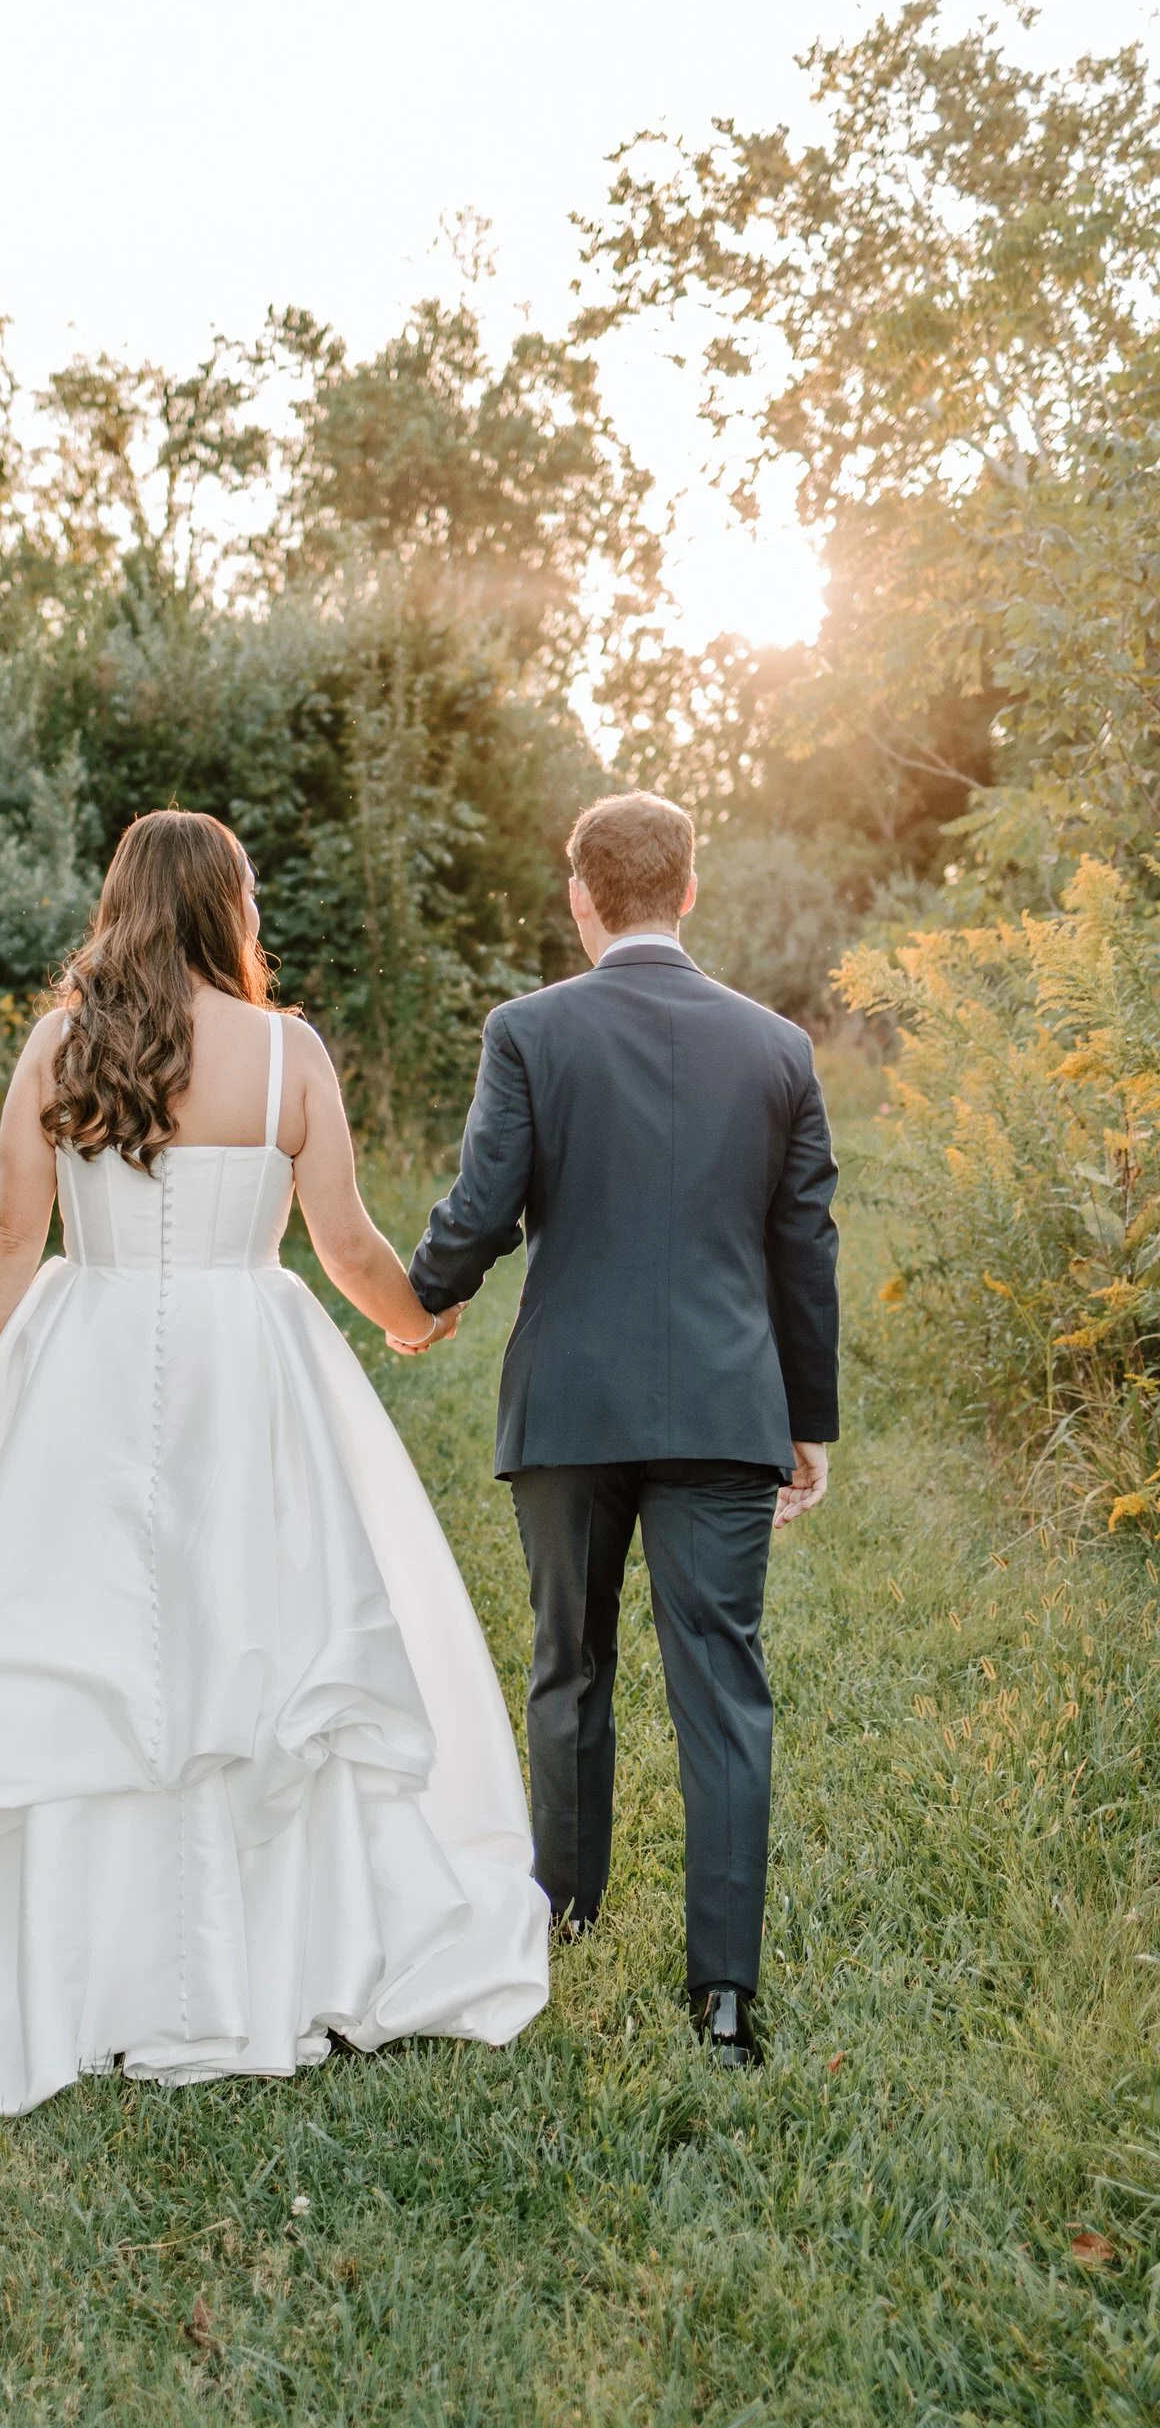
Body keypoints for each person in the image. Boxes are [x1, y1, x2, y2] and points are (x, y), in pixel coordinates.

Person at [0, 809, 548, 2115]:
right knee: (254, 1630)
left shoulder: (64, 1043)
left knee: (76, 1638)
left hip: (85, 1353)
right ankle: (258, 1954)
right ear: (230, 908)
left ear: (122, 902)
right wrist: (411, 1316)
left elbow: (9, 1232)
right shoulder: (287, 1055)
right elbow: (348, 1243)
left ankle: (72, 1959)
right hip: (249, 1366)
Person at [406, 791, 839, 2068]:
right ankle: (721, 1999)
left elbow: (482, 1210)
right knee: (724, 1688)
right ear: (689, 889)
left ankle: (564, 1920)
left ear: (580, 897)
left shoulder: (530, 1030)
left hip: (571, 1409)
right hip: (724, 1407)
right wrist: (806, 1420)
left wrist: (417, 1299)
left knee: (567, 1666)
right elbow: (801, 1250)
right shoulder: (779, 1050)